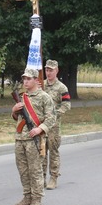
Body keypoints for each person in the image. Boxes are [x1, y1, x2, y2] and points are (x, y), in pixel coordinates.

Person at [11, 68, 56, 205]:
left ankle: (37, 198)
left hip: (34, 138)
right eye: (24, 79)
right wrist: (14, 110)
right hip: (20, 138)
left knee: (35, 169)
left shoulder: (44, 97)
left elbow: (51, 118)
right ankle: (27, 195)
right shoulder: (21, 97)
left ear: (36, 80)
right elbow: (16, 118)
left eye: (28, 79)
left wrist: (39, 129)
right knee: (23, 169)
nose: (25, 81)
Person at [42, 60, 71, 189]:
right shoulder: (41, 85)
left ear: (56, 71)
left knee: (53, 151)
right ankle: (41, 178)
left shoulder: (61, 87)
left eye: (51, 70)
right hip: (41, 126)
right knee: (41, 152)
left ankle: (53, 178)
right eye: (47, 70)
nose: (48, 73)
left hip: (53, 126)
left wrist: (56, 114)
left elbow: (66, 104)